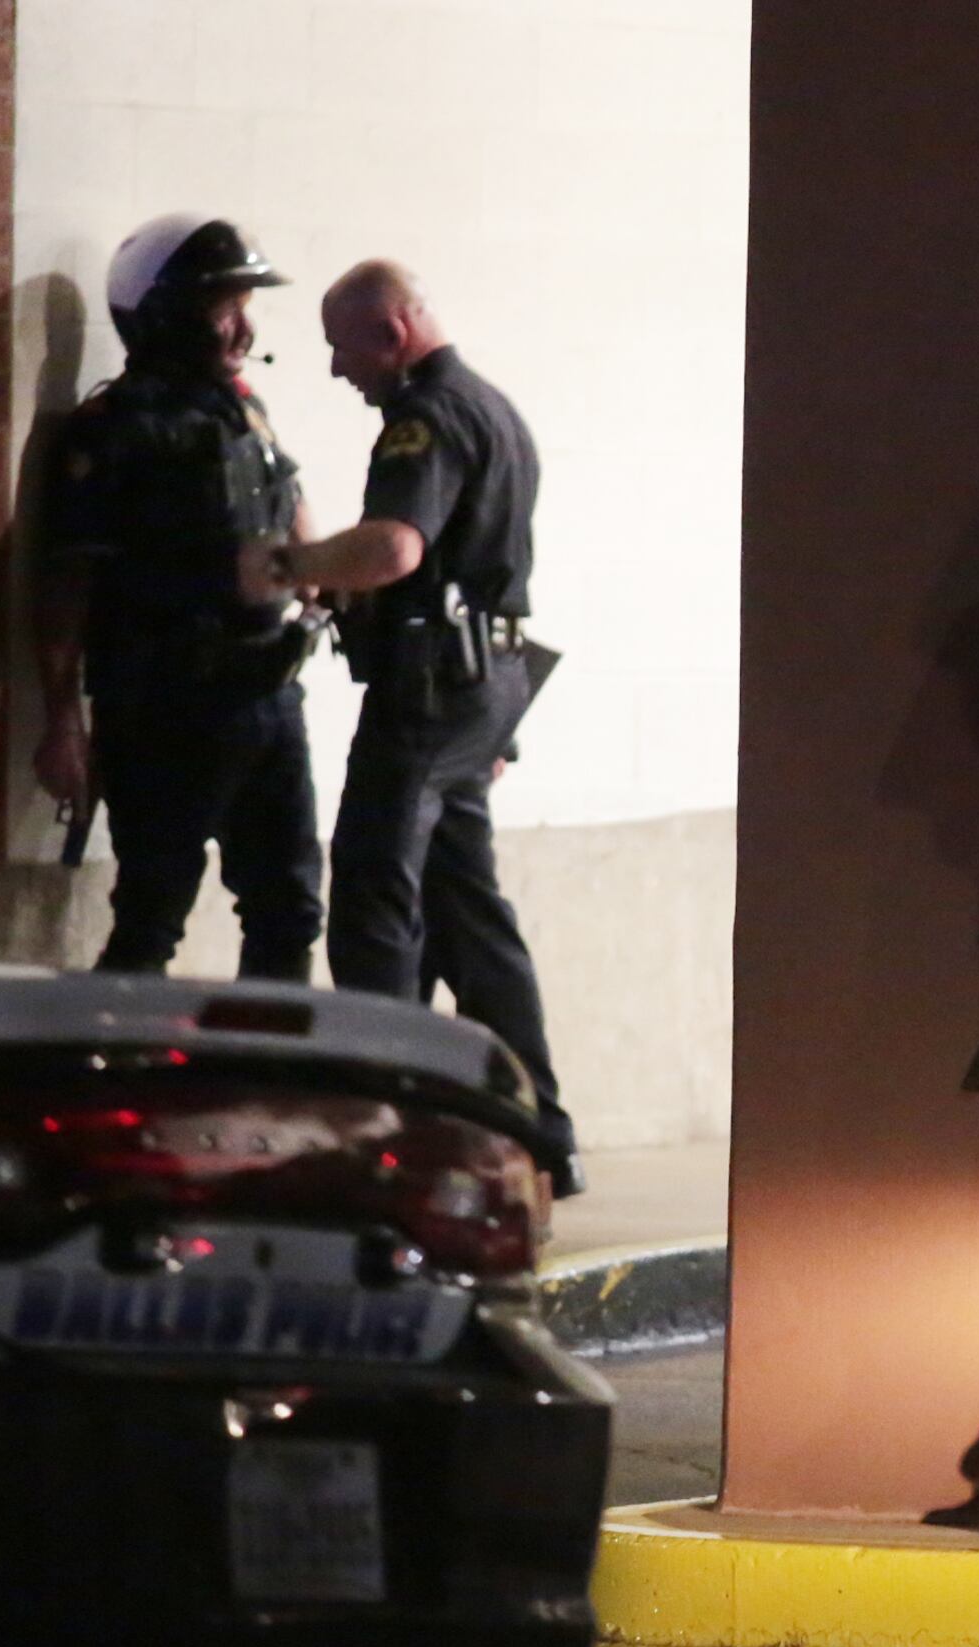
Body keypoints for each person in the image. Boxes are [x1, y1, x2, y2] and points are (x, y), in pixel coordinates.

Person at [250, 261, 582, 1195]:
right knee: (470, 914)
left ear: (391, 333)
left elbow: (397, 546)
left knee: (373, 902)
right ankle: (541, 1131)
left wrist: (288, 565)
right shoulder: (494, 408)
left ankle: (377, 1128)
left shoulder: (424, 418)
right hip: (485, 687)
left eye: (342, 348)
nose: (337, 370)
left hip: (430, 691)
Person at [35, 214, 321, 982]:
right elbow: (67, 584)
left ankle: (266, 1056)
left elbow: (293, 514)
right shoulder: (116, 430)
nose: (244, 327)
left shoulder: (245, 409)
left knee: (289, 909)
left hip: (267, 691)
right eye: (225, 307)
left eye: (245, 305)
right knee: (152, 915)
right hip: (166, 705)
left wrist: (324, 584)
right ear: (165, 313)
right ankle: (117, 1055)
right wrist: (63, 719)